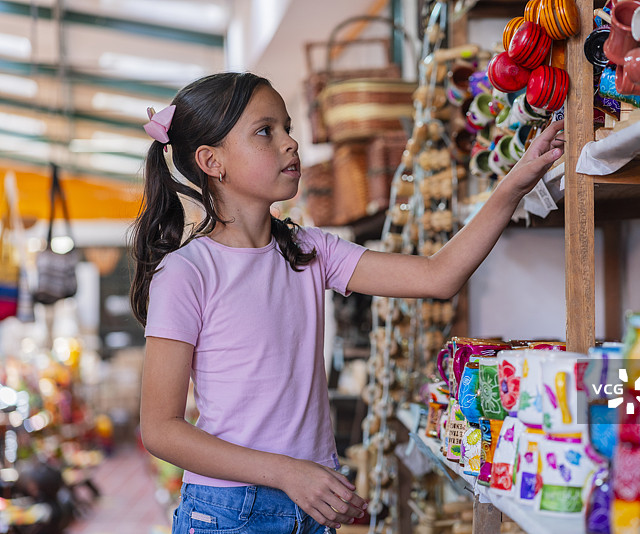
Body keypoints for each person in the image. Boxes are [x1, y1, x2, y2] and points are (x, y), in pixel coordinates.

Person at [130, 71, 563, 533]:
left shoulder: (309, 251)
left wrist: (513, 185)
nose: (290, 143)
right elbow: (161, 429)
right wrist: (288, 473)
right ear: (212, 161)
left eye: (288, 128)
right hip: (230, 510)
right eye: (265, 131)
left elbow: (439, 276)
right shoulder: (186, 272)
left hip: (314, 501)